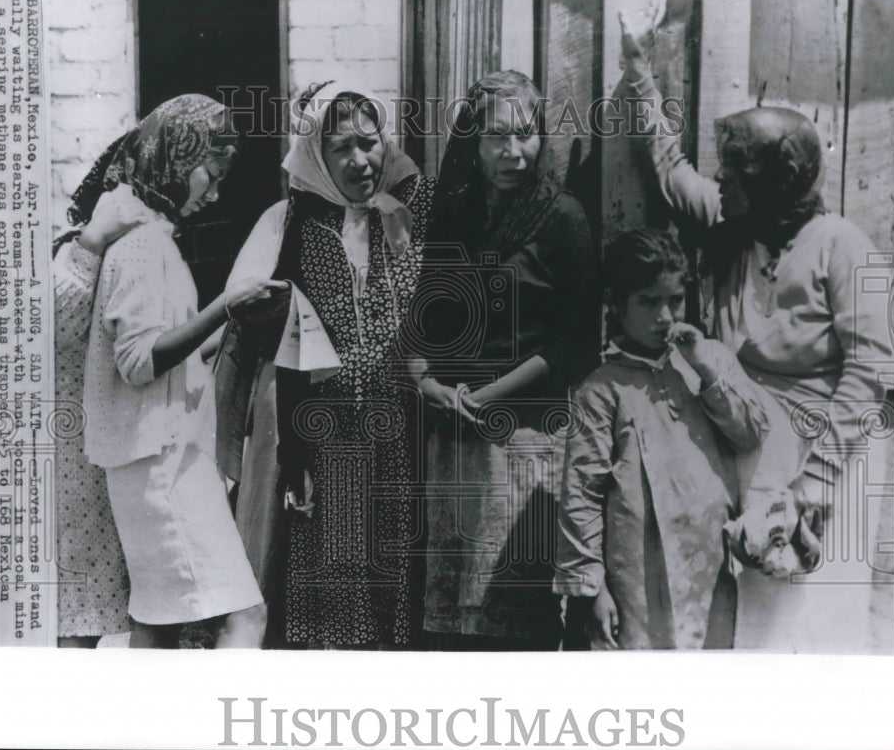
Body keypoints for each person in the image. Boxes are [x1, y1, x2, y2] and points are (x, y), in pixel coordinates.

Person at [620, 0, 894, 652]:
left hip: (830, 452)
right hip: (749, 441)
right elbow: (665, 165)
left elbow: (870, 369)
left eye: (736, 169)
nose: (721, 177)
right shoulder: (734, 222)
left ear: (775, 179)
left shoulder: (841, 244)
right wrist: (637, 61)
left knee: (813, 625)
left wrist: (816, 478)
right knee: (755, 619)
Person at [221, 81, 436, 649]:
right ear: (317, 155)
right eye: (340, 148)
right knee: (336, 584)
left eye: (368, 142)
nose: (360, 160)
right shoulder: (294, 226)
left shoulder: (412, 217)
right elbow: (289, 351)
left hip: (403, 431)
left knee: (401, 581)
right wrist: (296, 457)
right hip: (329, 432)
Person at [408, 70, 599, 650]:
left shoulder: (563, 218)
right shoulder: (452, 214)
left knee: (513, 606)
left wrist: (483, 398)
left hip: (524, 434)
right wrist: (424, 382)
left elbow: (574, 344)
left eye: (527, 134)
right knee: (451, 611)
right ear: (472, 140)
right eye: (497, 137)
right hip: (450, 435)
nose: (514, 153)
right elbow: (421, 313)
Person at [80, 94, 277, 648]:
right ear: (174, 159)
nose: (213, 193)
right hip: (161, 465)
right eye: (209, 175)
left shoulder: (149, 239)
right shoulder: (144, 247)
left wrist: (235, 327)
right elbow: (140, 363)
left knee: (157, 628)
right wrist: (226, 305)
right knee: (245, 615)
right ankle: (217, 729)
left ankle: (148, 730)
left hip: (150, 460)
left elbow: (161, 355)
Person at [555, 228, 771, 650]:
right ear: (615, 304)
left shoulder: (704, 361)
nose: (666, 317)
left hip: (709, 563)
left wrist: (704, 368)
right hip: (636, 567)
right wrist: (592, 588)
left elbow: (749, 433)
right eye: (648, 302)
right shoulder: (601, 390)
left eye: (674, 300)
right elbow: (580, 495)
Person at [53, 188, 151, 647]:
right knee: (73, 619)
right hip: (69, 453)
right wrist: (91, 242)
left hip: (107, 445)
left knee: (89, 620)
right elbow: (56, 324)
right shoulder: (78, 245)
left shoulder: (145, 242)